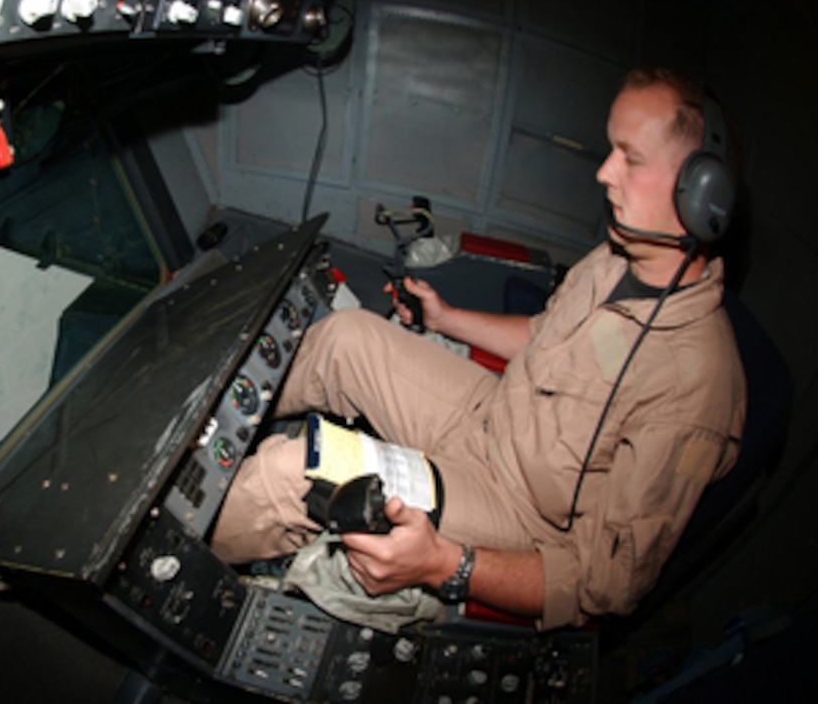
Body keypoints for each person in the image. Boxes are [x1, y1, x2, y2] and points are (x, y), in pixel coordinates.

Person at [210, 68, 746, 631]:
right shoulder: (620, 257)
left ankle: (161, 554)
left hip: (521, 510)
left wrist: (445, 564)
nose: (604, 174)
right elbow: (545, 337)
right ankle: (209, 431)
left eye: (630, 159)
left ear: (701, 193)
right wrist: (448, 319)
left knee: (295, 473)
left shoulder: (695, 386)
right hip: (491, 413)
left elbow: (599, 583)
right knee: (348, 338)